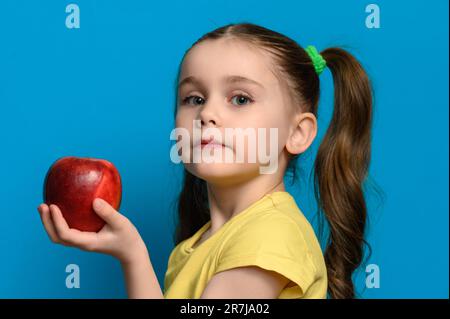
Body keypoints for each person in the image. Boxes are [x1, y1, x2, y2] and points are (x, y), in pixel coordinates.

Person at [38, 22, 374, 299]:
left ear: (298, 133)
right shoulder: (197, 245)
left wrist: (134, 254)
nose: (207, 113)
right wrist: (131, 253)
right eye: (193, 98)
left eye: (240, 98)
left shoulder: (270, 236)